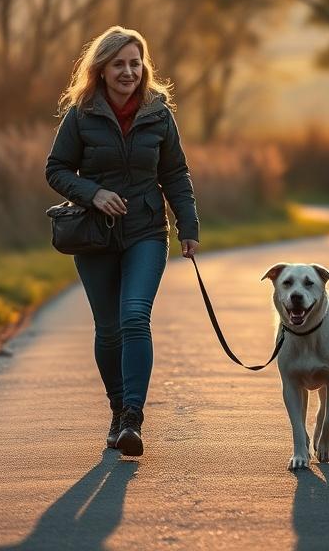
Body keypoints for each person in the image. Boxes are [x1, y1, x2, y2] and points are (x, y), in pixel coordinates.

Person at [45, 25, 200, 457]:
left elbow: (175, 174)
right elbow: (56, 169)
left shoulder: (158, 113)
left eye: (135, 63)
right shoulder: (80, 113)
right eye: (119, 64)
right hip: (94, 234)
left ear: (143, 66)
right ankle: (116, 409)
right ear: (101, 69)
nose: (128, 71)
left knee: (134, 316)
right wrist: (92, 192)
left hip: (146, 231)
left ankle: (132, 416)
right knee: (108, 329)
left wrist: (187, 227)